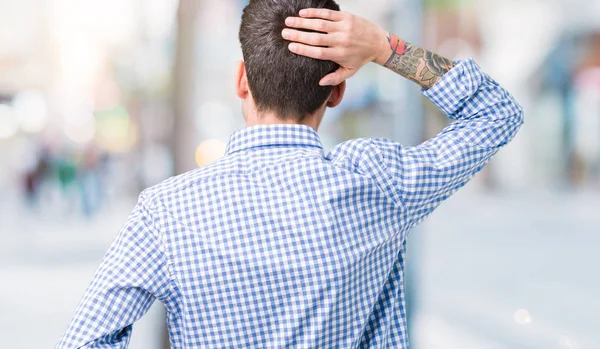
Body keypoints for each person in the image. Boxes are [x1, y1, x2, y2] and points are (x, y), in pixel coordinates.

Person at [56, 0, 523, 348]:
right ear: (336, 92)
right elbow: (495, 113)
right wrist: (384, 47)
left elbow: (84, 341)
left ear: (242, 79)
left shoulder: (164, 211)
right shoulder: (377, 180)